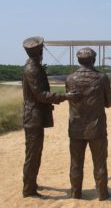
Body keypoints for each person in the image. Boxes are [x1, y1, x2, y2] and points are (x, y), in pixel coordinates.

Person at [22, 36, 81, 198]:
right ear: (39, 52)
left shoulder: (35, 67)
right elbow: (41, 95)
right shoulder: (32, 69)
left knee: (35, 152)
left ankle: (31, 183)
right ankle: (28, 189)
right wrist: (66, 96)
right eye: (42, 50)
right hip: (33, 116)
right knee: (33, 153)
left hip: (35, 115)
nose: (43, 52)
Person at [65, 47, 111, 200]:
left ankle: (75, 193)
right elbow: (109, 102)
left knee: (75, 163)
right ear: (93, 60)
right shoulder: (102, 77)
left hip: (76, 126)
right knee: (99, 162)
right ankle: (103, 194)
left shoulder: (70, 78)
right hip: (96, 127)